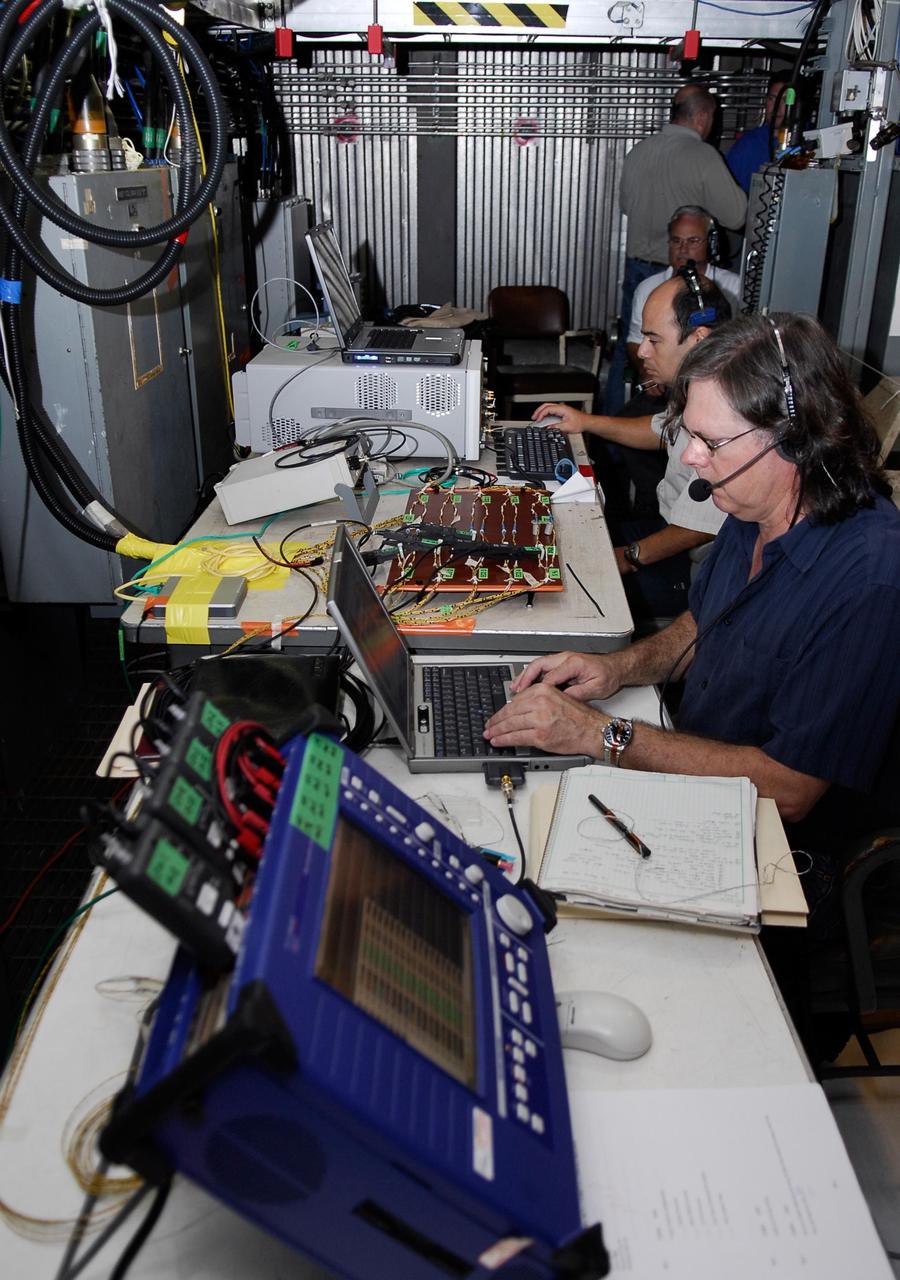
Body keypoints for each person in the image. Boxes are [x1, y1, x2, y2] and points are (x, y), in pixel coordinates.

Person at [487, 313, 900, 881]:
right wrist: (615, 669)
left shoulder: (870, 582)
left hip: (779, 850)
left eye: (709, 441)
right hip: (694, 762)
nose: (689, 458)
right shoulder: (754, 503)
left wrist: (598, 733)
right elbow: (701, 626)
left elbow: (790, 789)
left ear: (797, 440)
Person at [533, 274, 730, 622]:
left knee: (568, 588)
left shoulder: (728, 409)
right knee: (565, 540)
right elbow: (661, 429)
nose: (642, 351)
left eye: (654, 339)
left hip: (697, 562)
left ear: (699, 339)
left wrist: (627, 557)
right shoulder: (700, 385)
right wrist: (586, 422)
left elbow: (699, 527)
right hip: (665, 526)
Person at [606, 84, 747, 414]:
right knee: (693, 358)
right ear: (702, 116)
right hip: (686, 280)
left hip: (640, 267)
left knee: (637, 353)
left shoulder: (638, 151)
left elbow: (626, 205)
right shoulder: (703, 156)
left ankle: (614, 440)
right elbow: (737, 215)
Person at [626, 206, 742, 386]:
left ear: (711, 244)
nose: (683, 249)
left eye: (693, 241)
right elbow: (634, 341)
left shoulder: (734, 287)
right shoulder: (647, 288)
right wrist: (646, 370)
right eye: (676, 241)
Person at [726, 75, 789, 193]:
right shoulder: (747, 146)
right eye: (772, 99)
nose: (777, 107)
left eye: (785, 100)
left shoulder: (808, 143)